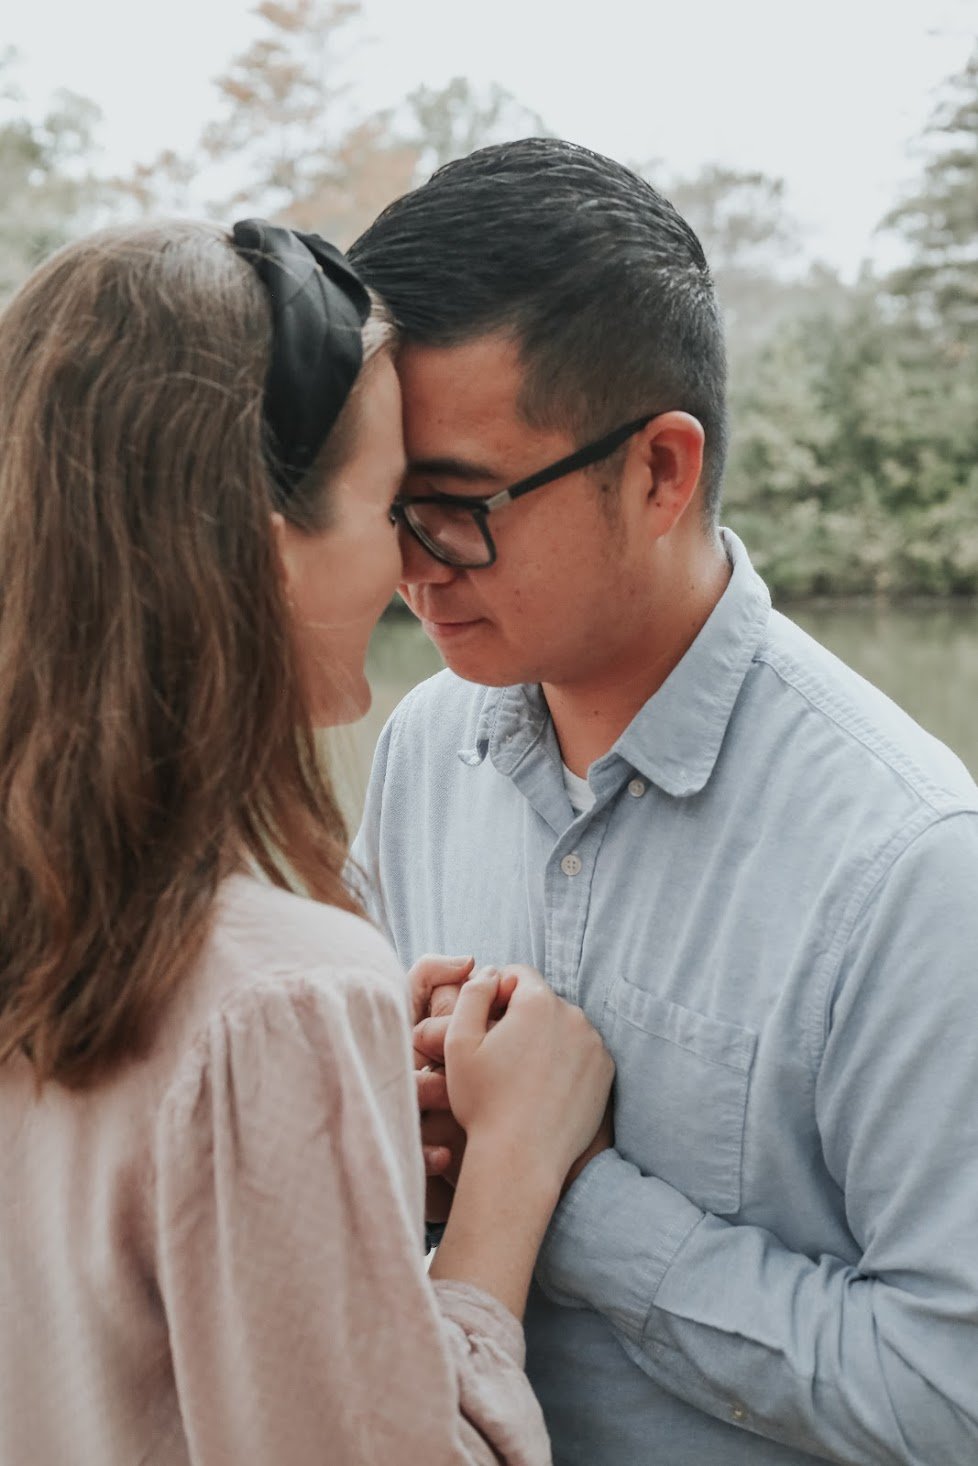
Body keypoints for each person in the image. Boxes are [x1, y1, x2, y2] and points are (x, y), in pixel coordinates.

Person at [349, 139, 978, 1465]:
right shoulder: (419, 750)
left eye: (454, 506)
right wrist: (394, 1125)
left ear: (659, 471)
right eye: (385, 504)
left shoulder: (909, 861)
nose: (410, 566)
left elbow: (950, 1388)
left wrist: (567, 1191)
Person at [0, 216, 615, 1466]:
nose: (412, 566)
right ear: (264, 548)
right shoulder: (282, 994)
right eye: (392, 506)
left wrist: (348, 1127)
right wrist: (509, 1175)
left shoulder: (71, 928)